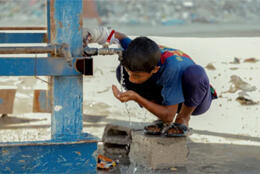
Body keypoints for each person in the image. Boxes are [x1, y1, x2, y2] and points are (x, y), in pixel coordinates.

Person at [85, 27, 217, 137]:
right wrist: (91, 35)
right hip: (166, 91)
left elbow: (168, 116)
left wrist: (137, 97)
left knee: (195, 74)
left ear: (155, 69)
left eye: (136, 75)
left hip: (194, 99)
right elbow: (118, 36)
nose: (131, 79)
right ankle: (160, 120)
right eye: (131, 73)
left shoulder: (172, 68)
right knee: (121, 72)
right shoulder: (136, 50)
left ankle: (183, 118)